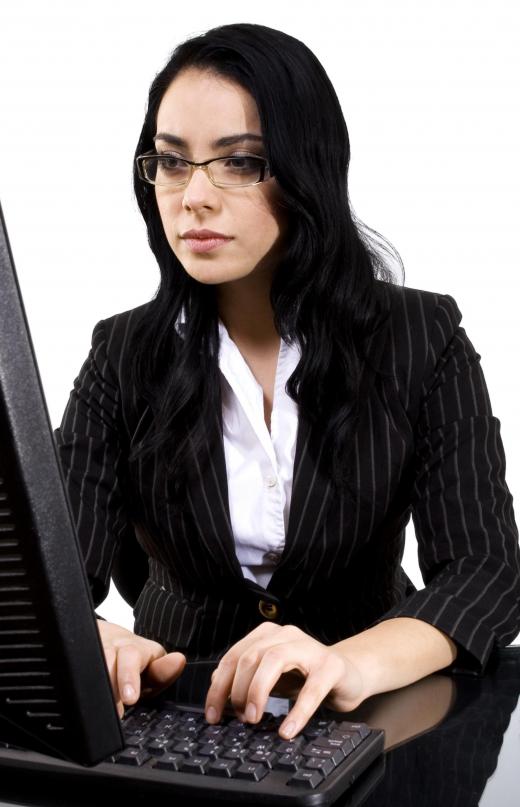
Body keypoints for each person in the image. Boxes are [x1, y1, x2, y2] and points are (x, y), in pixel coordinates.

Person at [56, 22, 520, 740]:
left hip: (369, 726)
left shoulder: (422, 338)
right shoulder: (122, 354)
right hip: (176, 727)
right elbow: (45, 578)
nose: (193, 196)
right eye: (172, 162)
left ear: (308, 170)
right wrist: (87, 636)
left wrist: (352, 662)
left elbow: (487, 572)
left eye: (239, 163)